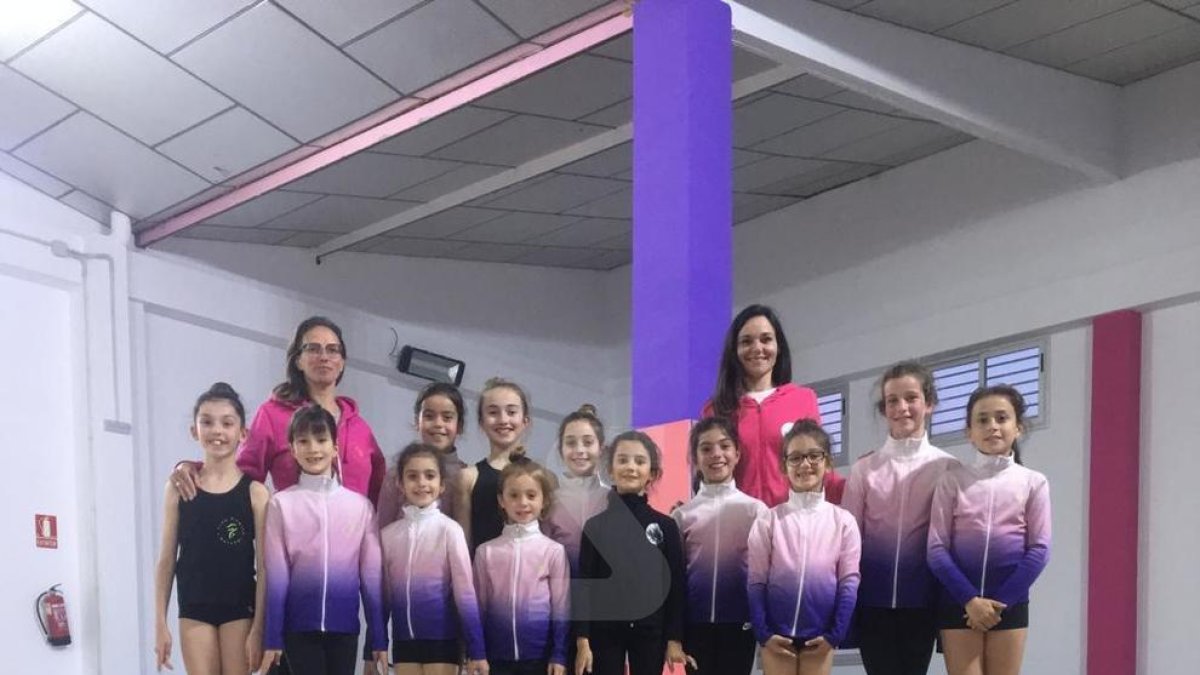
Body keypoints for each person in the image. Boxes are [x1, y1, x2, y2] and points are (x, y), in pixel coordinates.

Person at [169, 316, 386, 506]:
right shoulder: (272, 415)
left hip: (355, 539)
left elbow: (383, 494)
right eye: (313, 348)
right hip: (292, 536)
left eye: (333, 350)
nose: (324, 356)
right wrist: (195, 468)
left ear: (342, 362)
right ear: (298, 360)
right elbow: (240, 476)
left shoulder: (360, 428)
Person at [841, 362, 959, 675]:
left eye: (911, 398)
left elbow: (954, 541)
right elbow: (848, 542)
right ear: (884, 409)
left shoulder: (949, 469)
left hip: (923, 602)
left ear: (929, 403)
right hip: (872, 603)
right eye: (892, 400)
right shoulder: (864, 469)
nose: (902, 407)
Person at [928, 385, 1051, 675]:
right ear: (969, 432)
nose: (992, 426)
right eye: (982, 420)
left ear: (1018, 427)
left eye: (1001, 418)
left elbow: (1040, 549)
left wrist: (1001, 603)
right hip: (959, 603)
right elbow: (936, 549)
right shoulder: (952, 481)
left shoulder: (1033, 482)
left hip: (1009, 602)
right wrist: (969, 600)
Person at [259, 405, 387, 675]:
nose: (313, 449)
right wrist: (272, 637)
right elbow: (277, 577)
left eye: (321, 439)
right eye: (303, 441)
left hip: (345, 628)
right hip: (298, 629)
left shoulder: (361, 507)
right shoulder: (281, 504)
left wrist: (378, 637)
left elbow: (372, 579)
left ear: (335, 447)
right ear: (292, 449)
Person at [154, 383, 269, 675]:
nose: (217, 430)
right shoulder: (178, 489)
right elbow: (166, 560)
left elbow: (265, 567)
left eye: (227, 423)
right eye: (207, 422)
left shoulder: (256, 494)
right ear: (194, 430)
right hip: (194, 607)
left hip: (239, 609)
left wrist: (259, 627)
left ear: (242, 433)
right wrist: (160, 623)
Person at [748, 419, 861, 675]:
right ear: (784, 466)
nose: (805, 464)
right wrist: (764, 634)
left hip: (820, 637)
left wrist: (834, 635)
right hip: (776, 637)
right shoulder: (768, 520)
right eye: (796, 458)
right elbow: (756, 582)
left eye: (814, 456)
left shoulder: (843, 522)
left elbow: (849, 583)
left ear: (827, 462)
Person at [704, 304, 843, 507]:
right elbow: (706, 476)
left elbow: (819, 465)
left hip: (791, 519)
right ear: (734, 350)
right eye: (746, 341)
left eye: (766, 339)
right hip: (737, 520)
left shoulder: (803, 399)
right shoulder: (715, 409)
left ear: (778, 346)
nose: (757, 348)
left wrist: (864, 480)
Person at [575, 431, 690, 675]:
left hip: (651, 631)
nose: (631, 467)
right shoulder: (595, 526)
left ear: (652, 473)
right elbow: (584, 585)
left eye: (639, 461)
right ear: (610, 469)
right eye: (623, 460)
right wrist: (582, 639)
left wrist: (674, 638)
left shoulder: (666, 526)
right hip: (605, 633)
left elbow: (676, 585)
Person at [672, 417, 768, 675]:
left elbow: (765, 574)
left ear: (737, 454)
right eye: (706, 448)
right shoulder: (682, 516)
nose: (716, 454)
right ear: (695, 458)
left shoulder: (755, 511)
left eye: (724, 446)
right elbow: (675, 580)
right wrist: (675, 634)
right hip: (695, 626)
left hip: (740, 624)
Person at [381, 443, 488, 675]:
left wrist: (477, 649)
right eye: (412, 476)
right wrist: (375, 644)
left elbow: (465, 594)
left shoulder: (450, 531)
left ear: (442, 485)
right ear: (400, 484)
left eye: (430, 476)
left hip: (443, 641)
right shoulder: (388, 536)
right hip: (403, 641)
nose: (421, 483)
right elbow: (383, 598)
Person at [474, 456, 570, 675]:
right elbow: (478, 608)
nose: (523, 502)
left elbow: (561, 608)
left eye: (531, 495)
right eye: (514, 495)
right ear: (502, 500)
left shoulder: (553, 551)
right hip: (496, 659)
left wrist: (559, 655)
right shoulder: (486, 552)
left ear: (544, 500)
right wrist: (477, 652)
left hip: (540, 659)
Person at [377, 382, 469, 528]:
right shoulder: (397, 474)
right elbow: (382, 528)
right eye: (429, 416)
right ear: (417, 421)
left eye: (447, 417)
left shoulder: (466, 476)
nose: (438, 424)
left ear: (460, 425)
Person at [459, 377, 532, 554]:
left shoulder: (543, 477)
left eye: (511, 412)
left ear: (525, 421)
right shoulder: (467, 477)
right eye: (493, 412)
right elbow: (463, 546)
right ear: (481, 423)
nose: (503, 419)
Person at [542, 404, 610, 573]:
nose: (579, 450)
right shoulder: (548, 501)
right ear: (561, 450)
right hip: (560, 587)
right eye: (571, 443)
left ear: (601, 449)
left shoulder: (613, 499)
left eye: (588, 442)